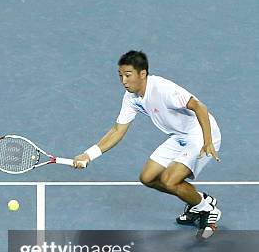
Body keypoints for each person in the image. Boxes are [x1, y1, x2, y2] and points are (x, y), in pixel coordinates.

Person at [73, 50, 222, 239]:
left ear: (142, 74)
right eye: (120, 76)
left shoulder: (163, 89)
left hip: (200, 133)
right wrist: (89, 154)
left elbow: (200, 107)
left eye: (128, 75)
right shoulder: (131, 98)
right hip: (178, 136)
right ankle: (199, 200)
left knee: (169, 180)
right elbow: (118, 130)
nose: (124, 81)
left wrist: (208, 141)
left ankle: (206, 209)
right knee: (148, 177)